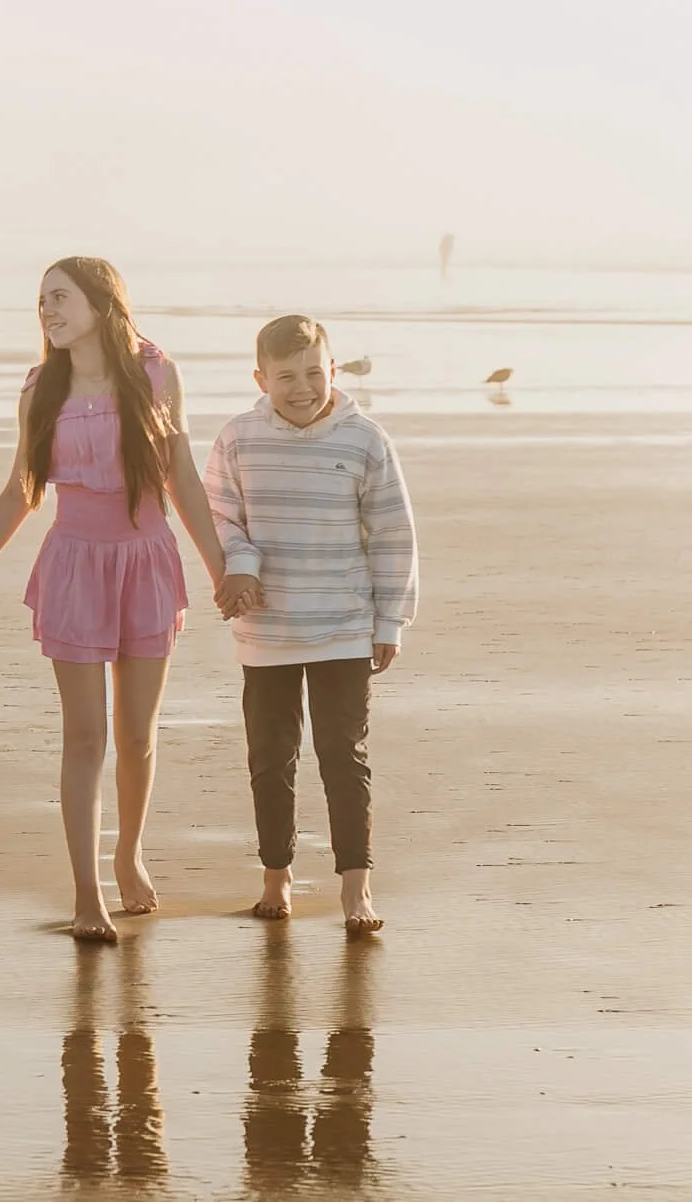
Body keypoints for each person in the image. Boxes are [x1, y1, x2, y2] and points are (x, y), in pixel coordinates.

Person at [0, 258, 233, 941]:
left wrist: (223, 570)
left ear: (102, 304)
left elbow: (185, 483)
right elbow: (22, 489)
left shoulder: (156, 374)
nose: (46, 309)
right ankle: (87, 893)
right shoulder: (39, 390)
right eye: (41, 299)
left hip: (146, 561)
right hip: (76, 566)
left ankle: (128, 852)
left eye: (60, 297)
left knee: (137, 733)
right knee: (85, 736)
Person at [203, 314, 418, 934]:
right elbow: (220, 515)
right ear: (261, 377)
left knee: (342, 756)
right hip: (265, 627)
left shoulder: (364, 439)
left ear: (333, 368)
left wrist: (390, 619)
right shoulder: (239, 438)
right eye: (286, 376)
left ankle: (357, 885)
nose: (303, 388)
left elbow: (392, 532)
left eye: (314, 372)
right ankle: (276, 875)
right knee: (270, 758)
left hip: (344, 625)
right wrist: (240, 565)